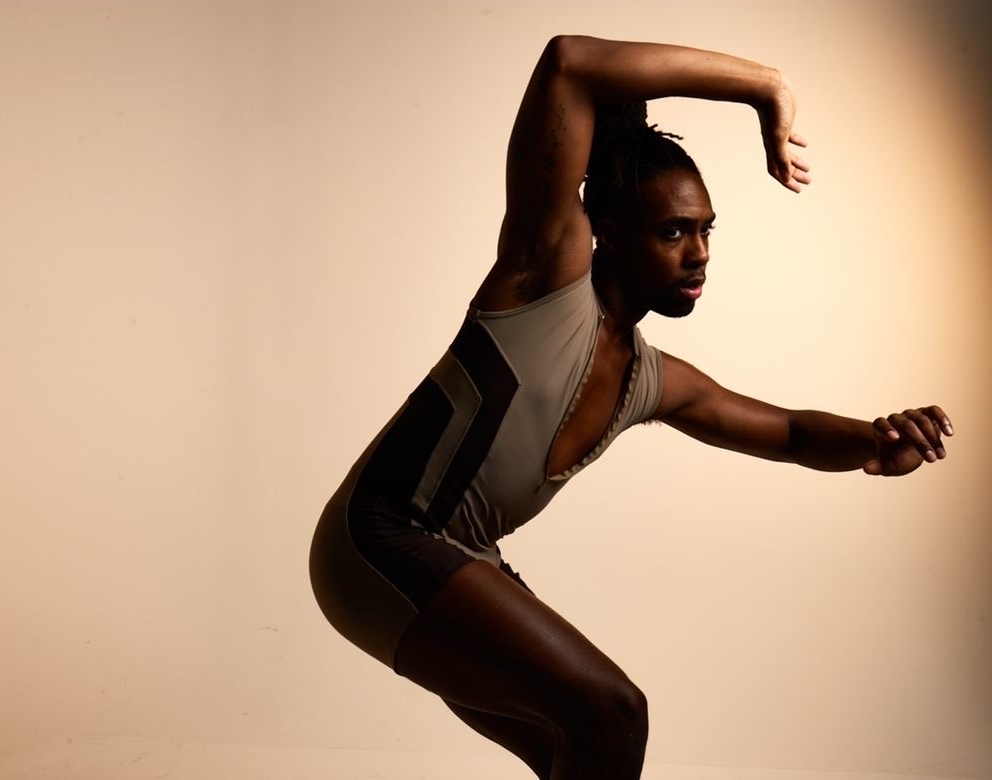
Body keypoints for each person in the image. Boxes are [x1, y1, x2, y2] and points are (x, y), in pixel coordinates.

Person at [308, 35, 953, 780]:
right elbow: (570, 63)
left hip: (460, 557)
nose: (699, 253)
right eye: (673, 231)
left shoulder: (651, 379)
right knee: (613, 711)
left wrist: (877, 441)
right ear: (608, 234)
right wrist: (765, 86)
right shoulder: (543, 276)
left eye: (706, 229)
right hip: (381, 539)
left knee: (576, 749)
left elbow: (787, 432)